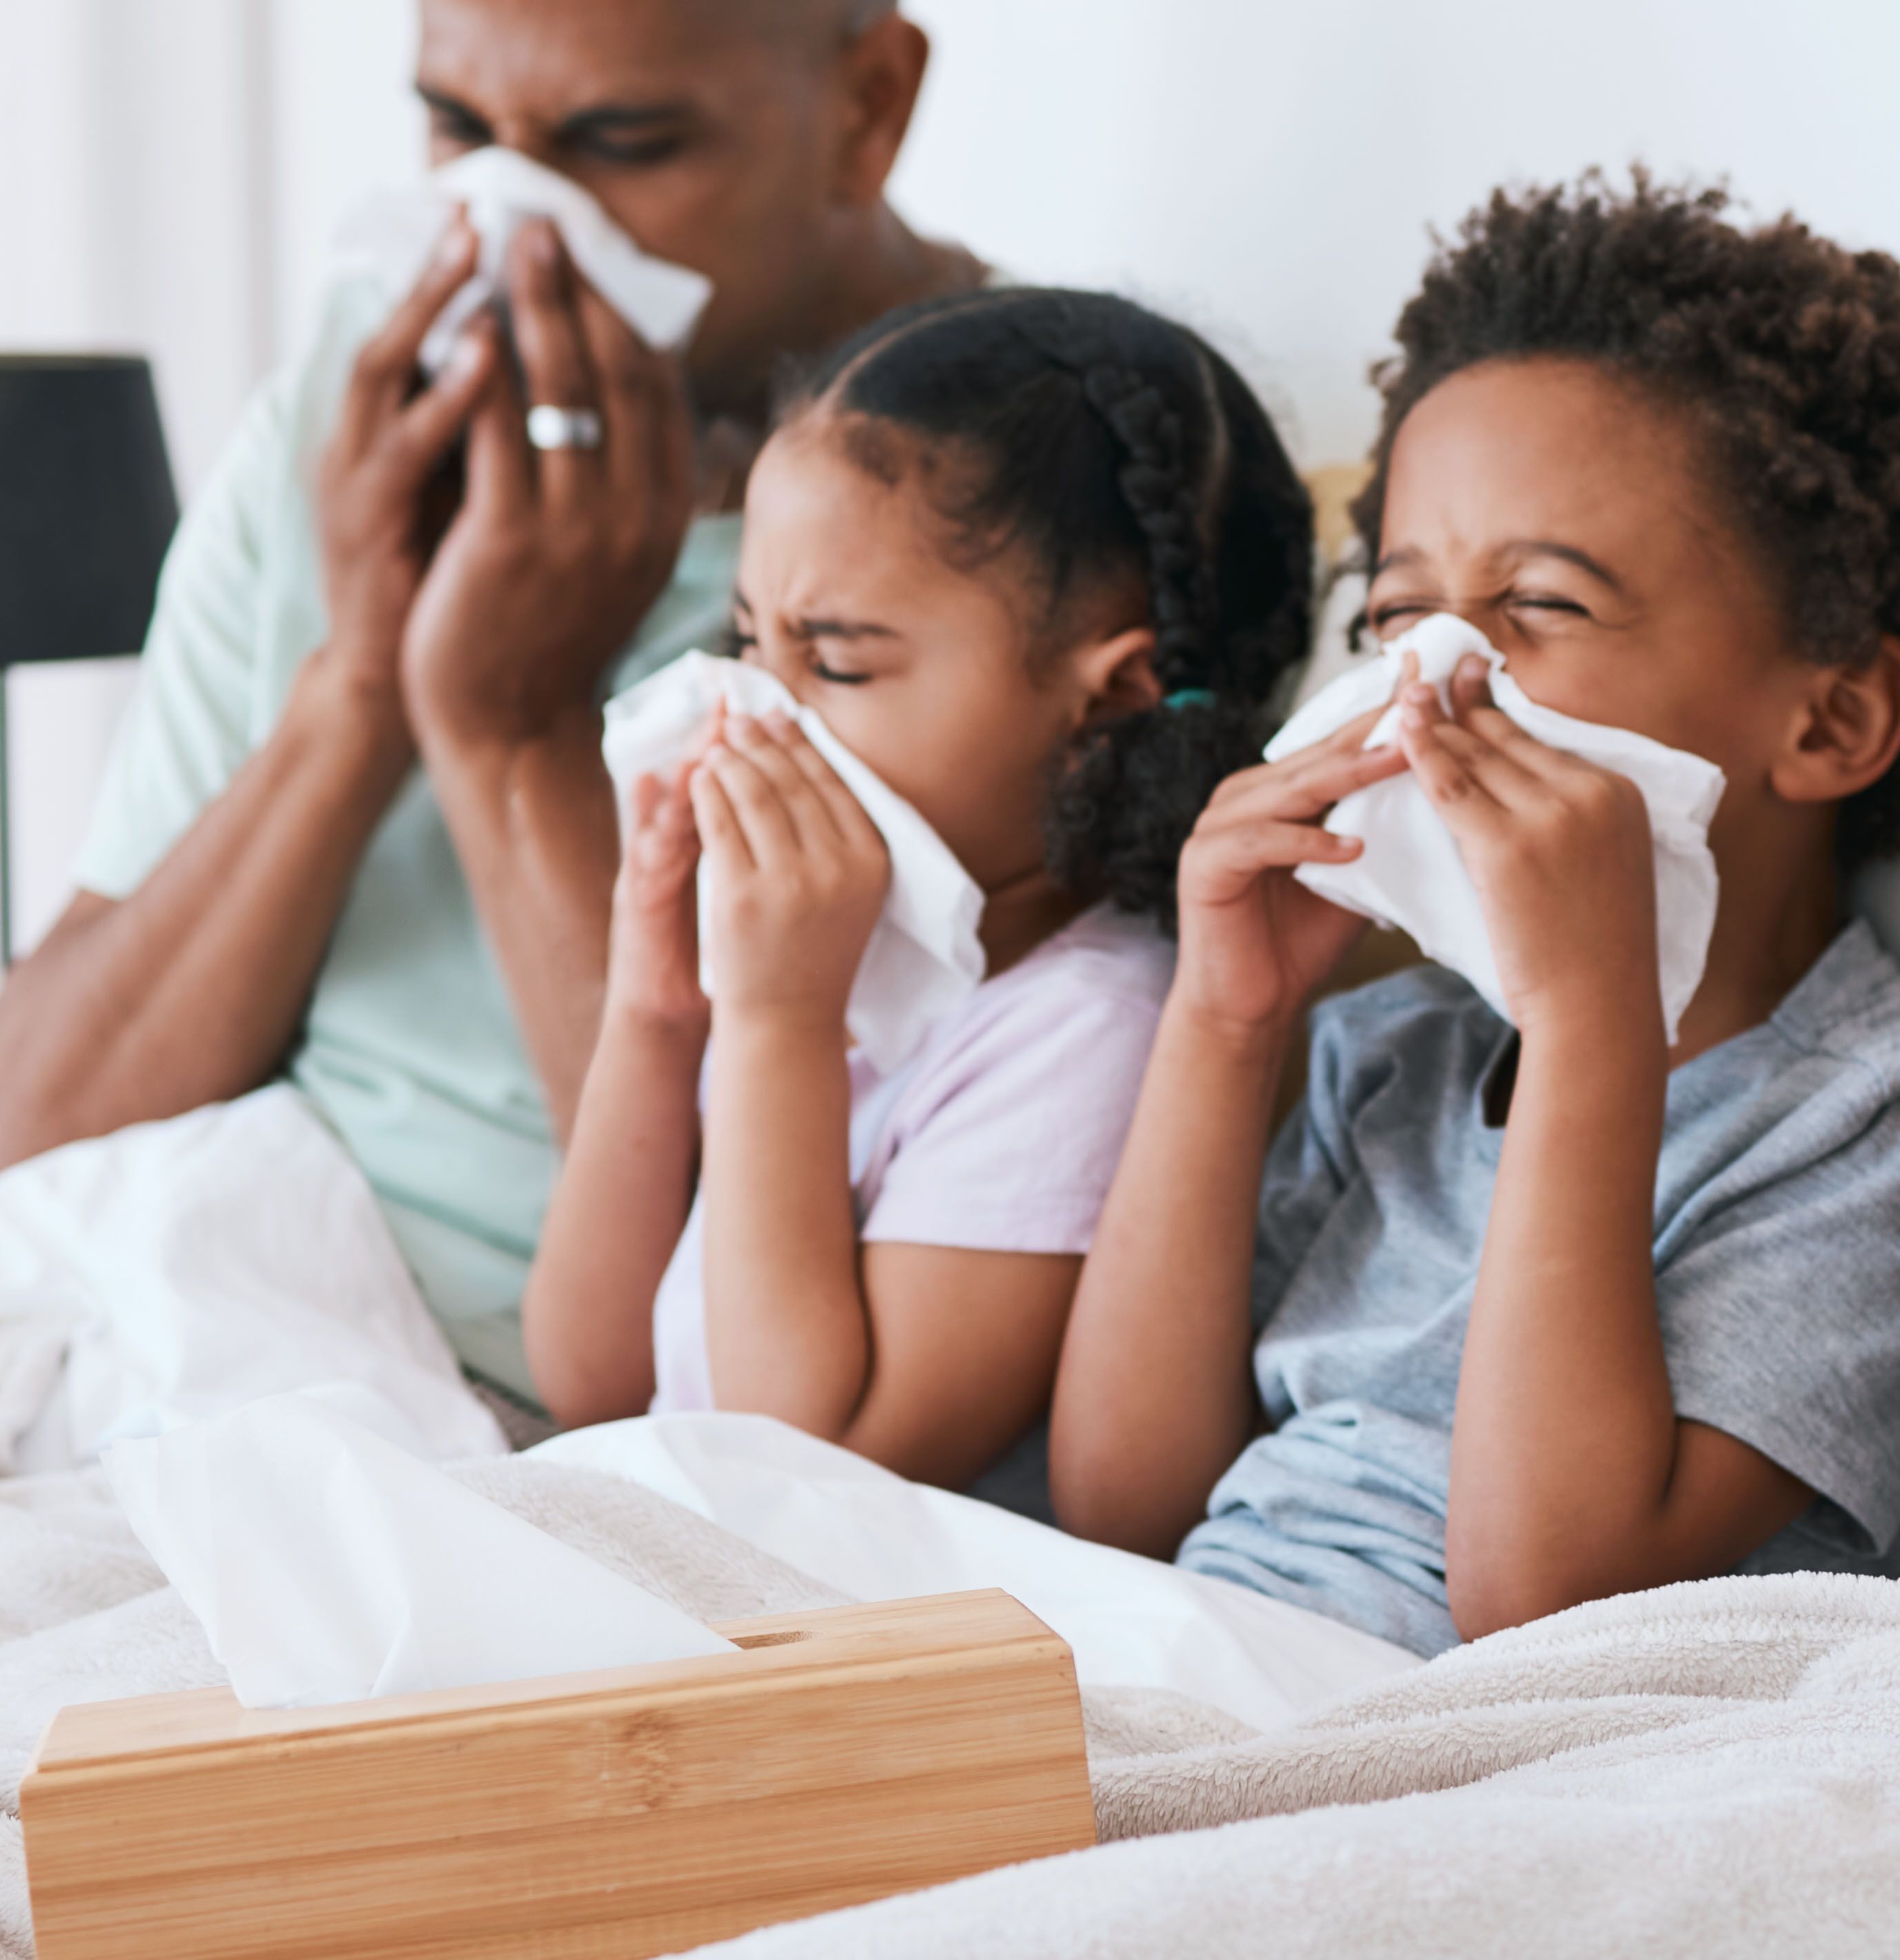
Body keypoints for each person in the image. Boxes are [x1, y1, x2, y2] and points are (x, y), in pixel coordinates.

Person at [0, 0, 982, 1410]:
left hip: (550, 1412)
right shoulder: (359, 407)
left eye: (620, 145)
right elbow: (43, 1122)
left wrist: (511, 726)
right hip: (188, 1319)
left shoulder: (1005, 510)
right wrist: (362, 685)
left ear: (866, 104)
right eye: (459, 130)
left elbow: (756, 1326)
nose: (520, 231)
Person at [1052, 176, 1900, 1654]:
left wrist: (1594, 1022)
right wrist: (1224, 1020)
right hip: (1201, 1660)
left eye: (1547, 606)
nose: (1440, 676)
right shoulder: (1400, 1054)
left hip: (1499, 1759)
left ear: (1832, 719)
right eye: (1397, 615)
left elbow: (1547, 1611)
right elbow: (1122, 1506)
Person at [524, 292, 1319, 1508]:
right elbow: (589, 1374)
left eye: (835, 663)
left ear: (1105, 697)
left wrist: (777, 1022)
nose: (748, 713)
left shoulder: (1090, 1027)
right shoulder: (848, 960)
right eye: (749, 643)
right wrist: (659, 1008)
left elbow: (808, 1469)